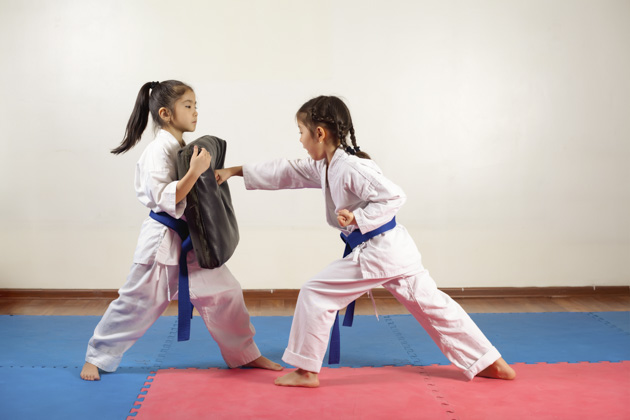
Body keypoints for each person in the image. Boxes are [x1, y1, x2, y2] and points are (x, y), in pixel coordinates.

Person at [215, 95, 516, 387]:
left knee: (316, 293)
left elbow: (394, 195)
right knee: (433, 305)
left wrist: (358, 219)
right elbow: (288, 171)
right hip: (395, 251)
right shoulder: (327, 165)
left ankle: (306, 371)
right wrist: (235, 171)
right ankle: (491, 362)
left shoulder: (350, 166)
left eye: (301, 133)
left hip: (379, 251)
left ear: (319, 133)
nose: (300, 140)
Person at [80, 80, 281, 381]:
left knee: (227, 293)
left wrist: (205, 174)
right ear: (165, 113)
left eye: (196, 105)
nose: (195, 111)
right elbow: (167, 197)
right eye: (188, 105)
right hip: (162, 243)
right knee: (136, 303)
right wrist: (194, 172)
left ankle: (245, 354)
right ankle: (96, 357)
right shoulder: (155, 151)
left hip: (193, 242)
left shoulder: (183, 148)